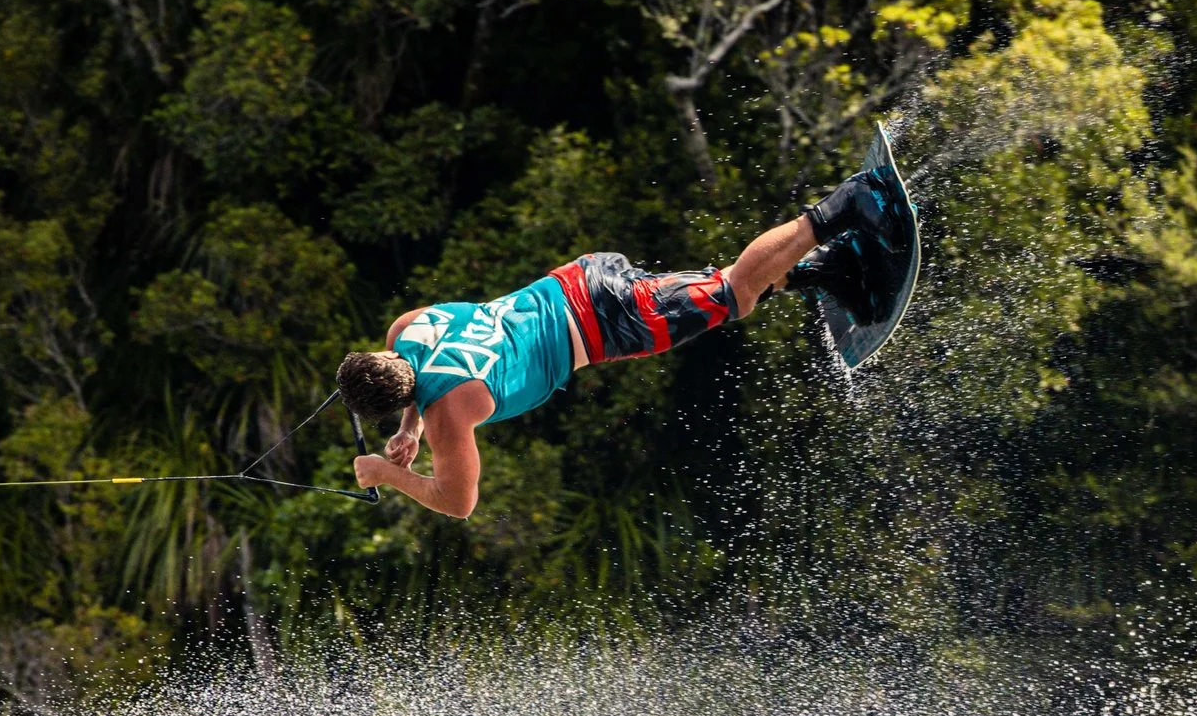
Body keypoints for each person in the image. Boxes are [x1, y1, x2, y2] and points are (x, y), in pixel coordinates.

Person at [339, 167, 903, 518]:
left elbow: (458, 503)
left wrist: (389, 473)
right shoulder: (406, 329)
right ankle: (833, 269)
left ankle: (842, 207)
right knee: (720, 292)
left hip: (605, 323)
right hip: (579, 281)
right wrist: (407, 426)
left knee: (735, 292)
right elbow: (414, 375)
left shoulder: (448, 414)